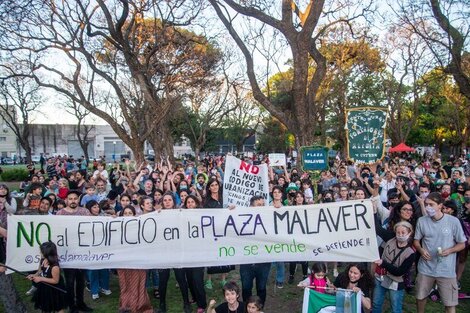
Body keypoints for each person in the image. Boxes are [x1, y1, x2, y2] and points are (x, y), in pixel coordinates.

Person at [414, 192, 466, 313]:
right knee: (420, 297)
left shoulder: (453, 221)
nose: (428, 208)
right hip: (426, 268)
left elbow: (462, 244)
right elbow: (416, 241)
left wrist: (450, 250)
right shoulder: (422, 221)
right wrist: (421, 250)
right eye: (426, 204)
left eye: (431, 204)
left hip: (446, 269)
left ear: (440, 205)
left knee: (450, 302)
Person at [56, 190, 93, 313]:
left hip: (82, 251)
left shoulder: (85, 212)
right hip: (67, 252)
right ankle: (72, 305)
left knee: (81, 280)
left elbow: (92, 226)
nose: (73, 201)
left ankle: (81, 303)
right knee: (70, 281)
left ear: (78, 200)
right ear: (66, 200)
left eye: (75, 198)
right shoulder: (60, 213)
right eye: (70, 199)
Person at [116, 205, 154, 313]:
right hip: (122, 261)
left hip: (138, 260)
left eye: (130, 213)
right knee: (125, 284)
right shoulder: (117, 227)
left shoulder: (140, 227)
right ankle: (126, 305)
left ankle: (140, 305)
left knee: (138, 283)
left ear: (134, 215)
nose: (127, 215)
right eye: (125, 213)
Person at [372, 221, 416, 313]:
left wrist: (383, 264)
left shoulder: (410, 253)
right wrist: (374, 211)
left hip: (396, 282)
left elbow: (399, 272)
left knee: (395, 308)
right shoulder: (390, 238)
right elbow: (378, 228)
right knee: (376, 304)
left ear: (409, 233)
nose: (400, 235)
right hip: (380, 277)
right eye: (398, 232)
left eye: (403, 232)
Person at [240, 195, 271, 307]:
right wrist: (231, 211)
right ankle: (246, 308)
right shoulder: (242, 218)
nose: (262, 207)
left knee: (261, 288)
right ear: (251, 206)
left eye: (263, 205)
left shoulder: (269, 218)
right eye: (259, 205)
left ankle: (259, 308)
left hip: (264, 261)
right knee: (246, 288)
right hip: (246, 262)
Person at [28, 241, 67, 313]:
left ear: (47, 253)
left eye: (41, 252)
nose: (40, 253)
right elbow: (39, 271)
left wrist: (40, 279)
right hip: (45, 287)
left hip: (55, 289)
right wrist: (34, 275)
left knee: (58, 307)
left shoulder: (55, 267)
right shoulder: (42, 260)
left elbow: (55, 281)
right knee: (46, 305)